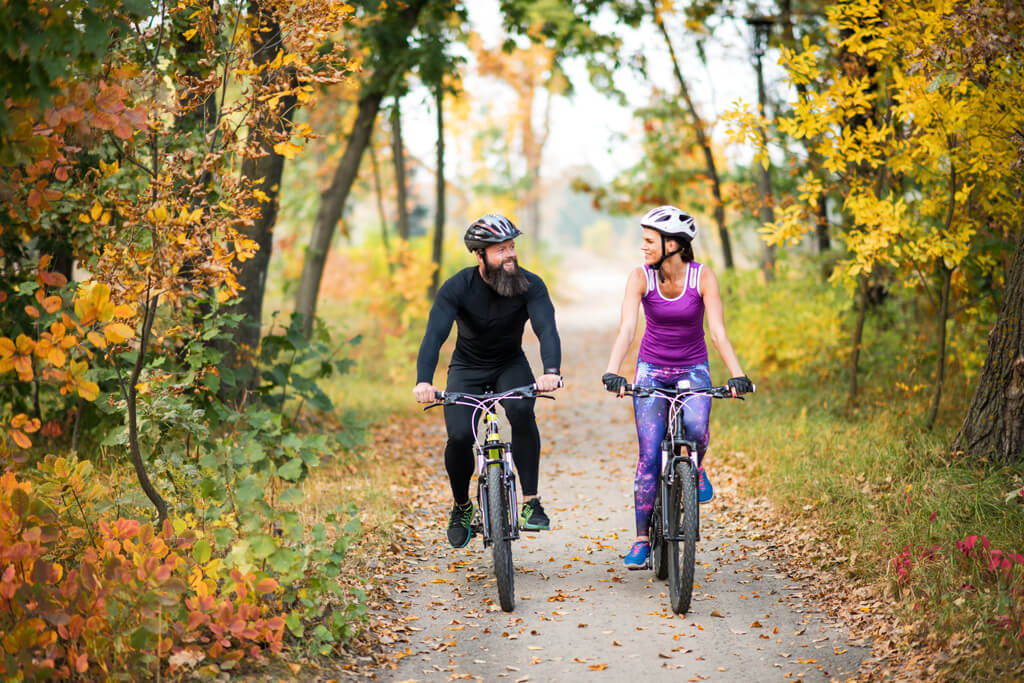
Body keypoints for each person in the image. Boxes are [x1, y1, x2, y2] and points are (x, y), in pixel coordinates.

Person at [601, 205, 753, 569]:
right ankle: (641, 539)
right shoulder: (640, 277)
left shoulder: (703, 277)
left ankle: (695, 468)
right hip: (651, 370)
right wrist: (612, 370)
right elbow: (627, 329)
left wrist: (737, 374)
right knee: (650, 456)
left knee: (697, 428)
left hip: (693, 367)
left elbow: (717, 331)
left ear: (674, 244)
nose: (644, 247)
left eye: (650, 241)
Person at [413, 214, 562, 548]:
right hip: (467, 367)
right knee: (460, 435)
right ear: (479, 255)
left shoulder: (530, 284)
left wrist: (551, 370)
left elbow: (546, 328)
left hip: (510, 363)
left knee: (522, 414)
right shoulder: (457, 287)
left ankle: (531, 501)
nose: (509, 254)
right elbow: (434, 336)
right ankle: (462, 506)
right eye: (500, 250)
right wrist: (424, 380)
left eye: (511, 246)